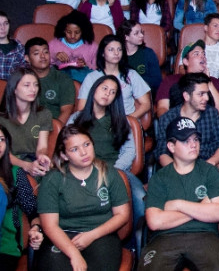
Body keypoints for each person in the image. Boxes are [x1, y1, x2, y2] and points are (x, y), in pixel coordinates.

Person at [35, 125, 130, 271]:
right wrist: (74, 254)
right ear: (64, 155)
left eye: (87, 144)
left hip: (101, 234)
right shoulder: (52, 179)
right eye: (74, 149)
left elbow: (122, 215)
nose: (84, 152)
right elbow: (50, 225)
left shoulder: (109, 173)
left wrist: (91, 235)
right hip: (63, 235)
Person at [142, 116, 219, 270]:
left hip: (205, 237)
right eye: (185, 141)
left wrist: (177, 205)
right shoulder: (159, 178)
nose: (193, 145)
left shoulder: (210, 172)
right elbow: (155, 221)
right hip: (165, 239)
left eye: (195, 139)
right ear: (171, 146)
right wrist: (200, 208)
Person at [68, 75, 144, 224]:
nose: (107, 94)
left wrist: (113, 172)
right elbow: (65, 147)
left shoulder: (120, 120)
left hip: (114, 170)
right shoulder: (76, 119)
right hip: (81, 171)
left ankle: (134, 244)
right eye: (104, 88)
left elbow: (129, 151)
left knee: (140, 199)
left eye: (112, 92)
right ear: (94, 89)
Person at [155, 72, 219, 168]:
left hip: (207, 165)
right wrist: (177, 171)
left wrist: (211, 163)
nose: (206, 98)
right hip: (177, 169)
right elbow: (162, 151)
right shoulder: (168, 118)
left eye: (207, 93)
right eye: (201, 94)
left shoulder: (212, 113)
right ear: (186, 96)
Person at [77, 34, 151, 119]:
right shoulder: (91, 77)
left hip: (125, 121)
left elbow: (146, 104)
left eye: (119, 49)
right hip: (98, 123)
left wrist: (128, 121)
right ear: (102, 53)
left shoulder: (131, 75)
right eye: (111, 49)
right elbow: (81, 108)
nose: (116, 53)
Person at [0, 122, 43, 267]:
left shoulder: (15, 174)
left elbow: (33, 211)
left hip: (6, 247)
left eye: (1, 140)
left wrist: (36, 229)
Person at [155, 40, 219, 118]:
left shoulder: (215, 83)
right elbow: (162, 108)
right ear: (186, 61)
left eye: (203, 54)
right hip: (179, 125)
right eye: (196, 54)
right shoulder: (171, 81)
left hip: (207, 127)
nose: (202, 56)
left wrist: (208, 82)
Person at [0, 69, 52, 180]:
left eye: (36, 85)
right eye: (27, 85)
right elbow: (2, 152)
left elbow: (42, 147)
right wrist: (25, 165)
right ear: (14, 89)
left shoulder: (44, 114)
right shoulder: (2, 118)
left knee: (49, 175)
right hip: (7, 162)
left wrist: (41, 156)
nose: (33, 89)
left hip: (32, 160)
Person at [117, 19, 162, 93]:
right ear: (126, 37)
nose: (141, 35)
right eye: (136, 33)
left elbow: (157, 80)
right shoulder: (118, 54)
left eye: (141, 32)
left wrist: (135, 81)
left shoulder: (148, 53)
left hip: (144, 91)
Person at [0, 12, 26, 81]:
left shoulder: (19, 48)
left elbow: (23, 74)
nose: (3, 27)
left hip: (13, 88)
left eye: (6, 23)